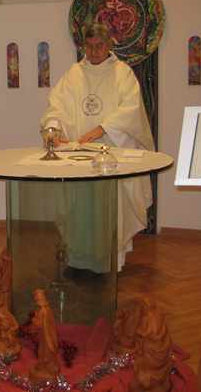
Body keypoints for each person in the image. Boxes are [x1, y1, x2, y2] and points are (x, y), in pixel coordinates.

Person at [40, 22, 154, 273]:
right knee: (80, 209)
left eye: (99, 46)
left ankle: (111, 261)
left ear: (109, 45)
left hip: (112, 154)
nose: (94, 52)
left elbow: (131, 109)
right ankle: (78, 259)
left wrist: (101, 129)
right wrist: (54, 128)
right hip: (79, 156)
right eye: (89, 46)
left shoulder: (122, 73)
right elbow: (56, 106)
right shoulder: (74, 74)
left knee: (110, 209)